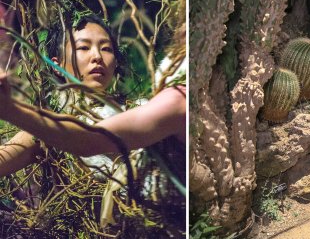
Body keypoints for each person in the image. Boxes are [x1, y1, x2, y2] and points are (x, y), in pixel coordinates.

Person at [0, 13, 186, 228]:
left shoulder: (145, 108)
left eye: (106, 48)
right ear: (56, 64)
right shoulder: (44, 129)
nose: (97, 56)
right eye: (83, 48)